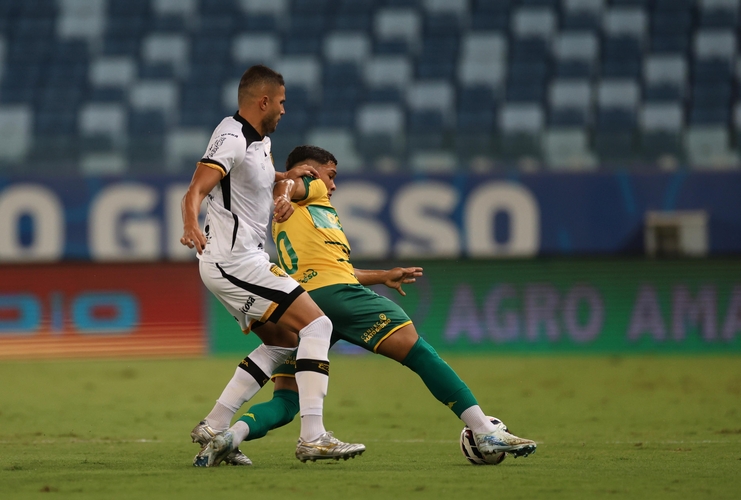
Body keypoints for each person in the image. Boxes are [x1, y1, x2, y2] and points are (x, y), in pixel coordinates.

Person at [194, 145, 537, 464]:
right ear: (312, 170)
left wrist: (383, 275)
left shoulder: (304, 216)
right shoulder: (310, 186)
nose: (333, 185)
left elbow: (336, 267)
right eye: (331, 175)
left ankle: (229, 435)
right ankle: (484, 429)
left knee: (286, 401)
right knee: (419, 353)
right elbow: (289, 185)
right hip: (339, 297)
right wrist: (285, 193)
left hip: (303, 306)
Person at [180, 66, 364, 467]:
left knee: (284, 341)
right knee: (318, 325)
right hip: (233, 262)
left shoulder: (259, 142)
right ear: (263, 101)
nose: (283, 109)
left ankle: (214, 425)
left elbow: (251, 179)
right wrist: (190, 223)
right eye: (281, 101)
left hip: (241, 261)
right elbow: (196, 188)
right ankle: (313, 436)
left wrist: (286, 175)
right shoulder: (232, 137)